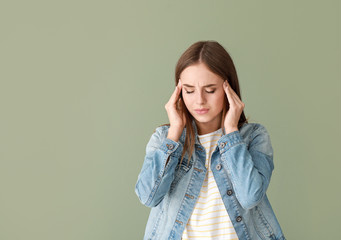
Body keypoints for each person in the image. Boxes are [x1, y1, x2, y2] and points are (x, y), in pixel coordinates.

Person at [134, 40, 286, 240]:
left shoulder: (253, 137)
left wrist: (231, 132)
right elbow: (148, 196)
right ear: (178, 92)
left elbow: (250, 197)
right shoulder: (164, 139)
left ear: (228, 88)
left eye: (210, 90)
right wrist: (175, 132)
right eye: (189, 90)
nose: (199, 100)